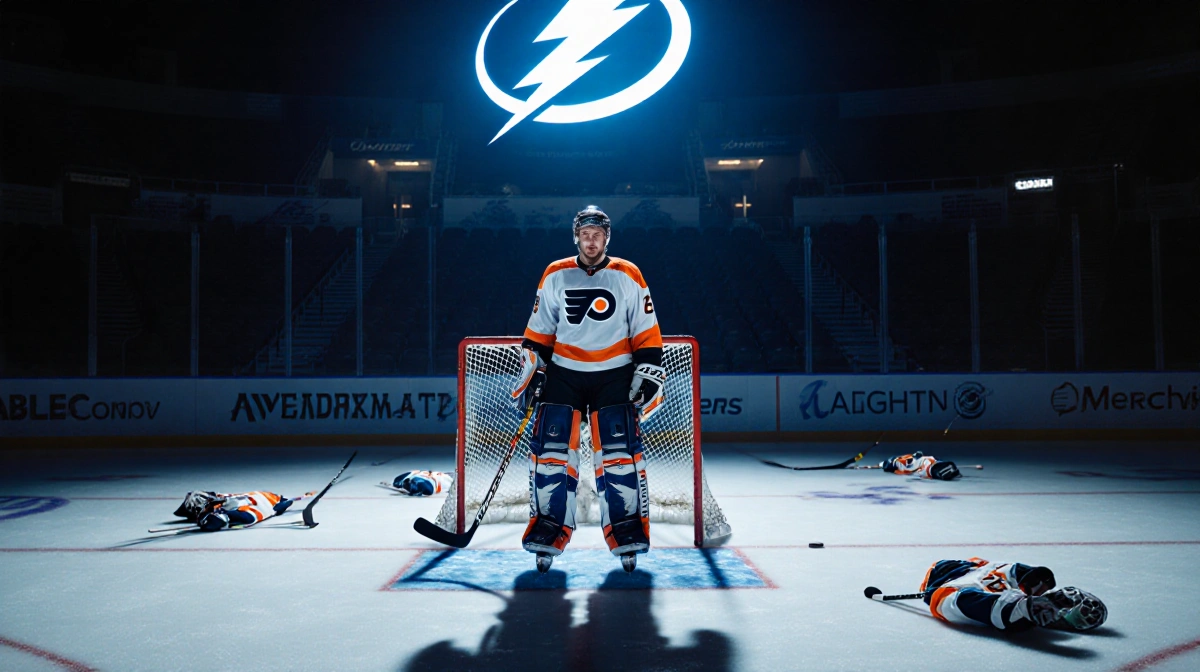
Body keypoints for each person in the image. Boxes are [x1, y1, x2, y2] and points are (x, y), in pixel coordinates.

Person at [512, 205, 665, 574]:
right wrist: (534, 369)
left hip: (615, 373)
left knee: (619, 455)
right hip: (564, 373)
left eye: (597, 235)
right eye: (585, 235)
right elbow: (540, 329)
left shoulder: (627, 273)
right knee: (550, 455)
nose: (591, 241)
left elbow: (645, 327)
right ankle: (549, 526)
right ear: (576, 237)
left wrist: (648, 368)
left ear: (606, 238)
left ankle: (625, 528)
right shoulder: (555, 272)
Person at [921, 557, 1107, 632]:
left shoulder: (986, 567)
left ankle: (1022, 608)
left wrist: (1031, 579)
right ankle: (1017, 609)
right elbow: (1017, 570)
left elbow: (1019, 571)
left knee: (960, 601)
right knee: (962, 601)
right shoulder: (987, 568)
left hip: (954, 592)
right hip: (956, 593)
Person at [173, 489, 309, 531]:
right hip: (268, 500)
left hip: (265, 503)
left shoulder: (256, 507)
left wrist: (221, 517)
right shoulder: (265, 499)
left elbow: (247, 518)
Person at [880, 451, 961, 480]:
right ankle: (944, 471)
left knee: (934, 467)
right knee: (934, 468)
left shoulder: (900, 464)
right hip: (927, 466)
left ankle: (945, 471)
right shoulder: (899, 464)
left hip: (927, 466)